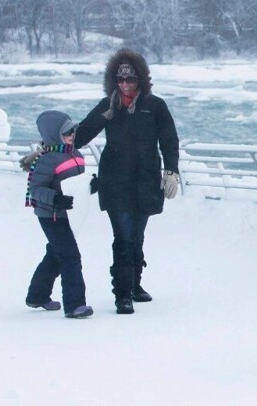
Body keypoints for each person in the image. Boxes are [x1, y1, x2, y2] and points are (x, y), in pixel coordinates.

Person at [75, 48, 180, 315]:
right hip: (115, 182)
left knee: (137, 235)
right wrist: (48, 149)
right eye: (120, 80)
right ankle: (122, 295)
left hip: (146, 182)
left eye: (130, 80)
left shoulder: (155, 106)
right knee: (123, 237)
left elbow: (169, 140)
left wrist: (171, 171)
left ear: (141, 80)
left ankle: (135, 285)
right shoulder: (108, 107)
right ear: (113, 80)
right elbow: (81, 134)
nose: (125, 85)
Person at [25, 110, 93, 319]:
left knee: (56, 254)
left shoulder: (76, 155)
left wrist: (92, 186)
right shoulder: (46, 160)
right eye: (67, 132)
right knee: (70, 256)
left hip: (70, 214)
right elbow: (35, 189)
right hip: (51, 215)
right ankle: (74, 305)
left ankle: (37, 295)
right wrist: (55, 198)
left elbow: (77, 185)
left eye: (73, 130)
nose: (72, 135)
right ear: (53, 134)